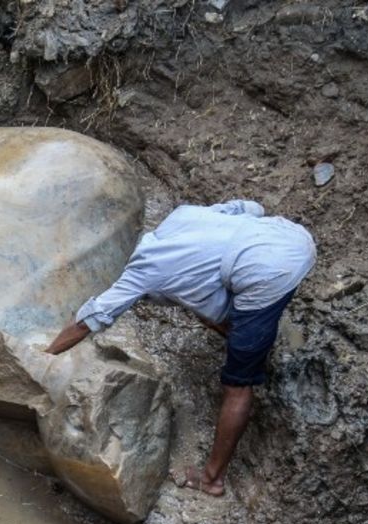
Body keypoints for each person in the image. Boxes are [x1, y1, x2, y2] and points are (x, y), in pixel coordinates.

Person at [45, 199, 316, 496]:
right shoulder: (181, 217)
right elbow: (251, 208)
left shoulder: (142, 272)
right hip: (293, 237)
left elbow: (90, 319)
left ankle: (211, 479)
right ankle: (250, 340)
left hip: (270, 272)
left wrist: (43, 358)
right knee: (209, 295)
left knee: (237, 386)